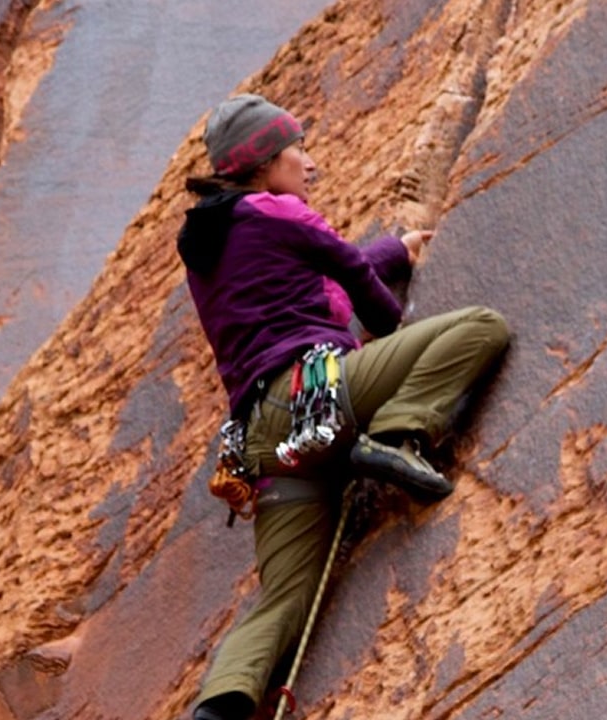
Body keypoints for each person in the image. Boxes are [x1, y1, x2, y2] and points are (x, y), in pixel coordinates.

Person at [179, 93, 509, 720]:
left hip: (264, 443)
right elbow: (369, 301)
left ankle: (217, 708)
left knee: (282, 600)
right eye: (298, 149)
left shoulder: (210, 245)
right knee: (479, 327)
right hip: (319, 396)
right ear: (266, 162)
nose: (310, 164)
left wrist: (393, 252)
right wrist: (391, 297)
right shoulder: (281, 212)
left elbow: (319, 281)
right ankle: (397, 435)